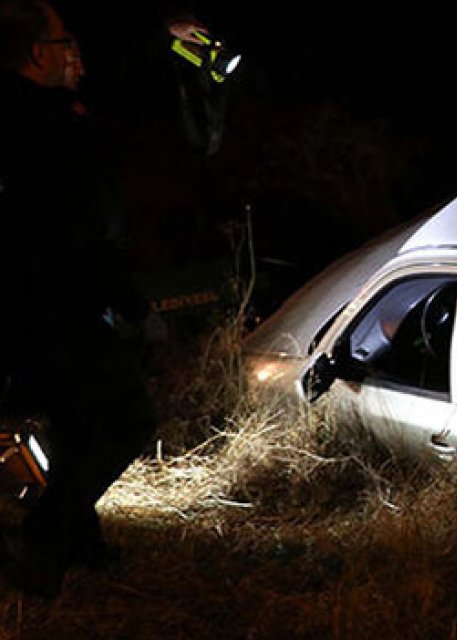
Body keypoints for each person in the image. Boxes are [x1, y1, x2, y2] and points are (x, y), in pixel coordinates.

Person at [0, 0, 158, 597]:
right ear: (38, 53)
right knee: (127, 418)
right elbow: (79, 232)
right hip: (58, 305)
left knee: (73, 422)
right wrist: (135, 307)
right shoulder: (50, 123)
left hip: (23, 307)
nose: (76, 57)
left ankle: (76, 546)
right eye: (66, 43)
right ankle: (42, 539)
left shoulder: (17, 117)